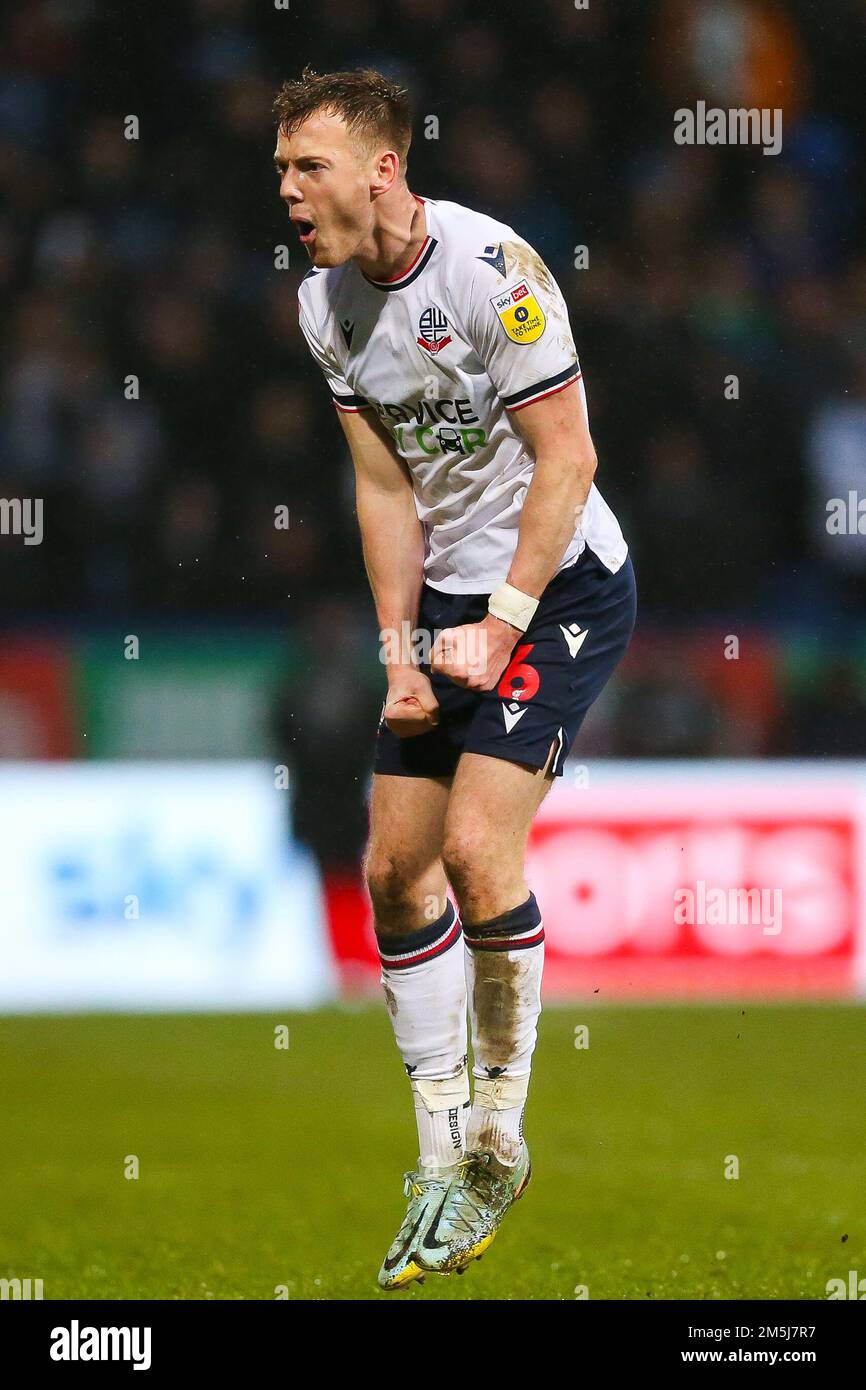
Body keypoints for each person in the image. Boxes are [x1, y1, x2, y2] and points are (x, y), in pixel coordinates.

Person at [274, 66, 636, 1289]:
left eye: (308, 167)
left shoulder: (494, 275)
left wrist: (504, 621)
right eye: (281, 170)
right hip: (443, 609)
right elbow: (384, 488)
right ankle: (436, 1152)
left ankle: (494, 1143)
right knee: (392, 870)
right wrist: (400, 654)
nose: (288, 192)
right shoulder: (324, 308)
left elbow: (567, 458)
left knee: (479, 851)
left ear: (383, 168)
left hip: (559, 585)